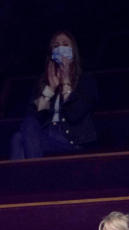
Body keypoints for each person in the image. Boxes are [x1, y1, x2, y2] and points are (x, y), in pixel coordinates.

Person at [9, 31, 98, 159]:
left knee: (18, 139)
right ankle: (35, 173)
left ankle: (32, 174)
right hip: (46, 136)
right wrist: (50, 89)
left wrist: (66, 82)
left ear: (73, 50)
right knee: (21, 133)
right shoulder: (43, 81)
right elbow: (33, 118)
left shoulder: (85, 80)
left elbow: (75, 115)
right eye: (56, 45)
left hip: (72, 140)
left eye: (65, 44)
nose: (60, 48)